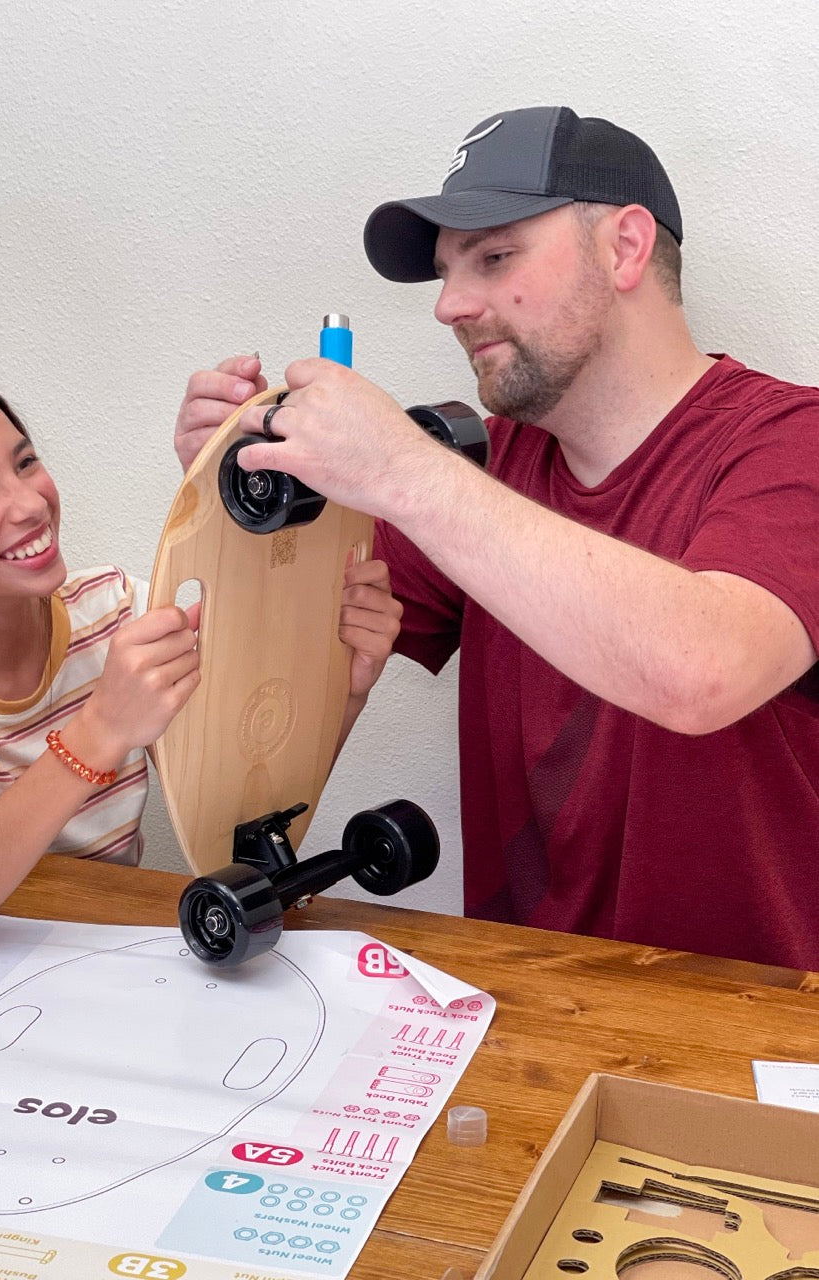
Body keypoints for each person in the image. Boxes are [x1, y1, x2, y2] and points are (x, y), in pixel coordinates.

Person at [175, 106, 819, 969]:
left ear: (625, 248)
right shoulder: (483, 470)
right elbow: (282, 697)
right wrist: (243, 496)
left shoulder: (788, 443)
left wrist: (402, 470)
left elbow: (700, 672)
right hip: (521, 1016)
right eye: (445, 272)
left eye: (494, 257)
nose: (449, 306)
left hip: (747, 1040)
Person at [0, 371, 400, 956]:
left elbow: (243, 814)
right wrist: (101, 730)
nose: (30, 502)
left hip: (114, 952)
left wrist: (342, 694)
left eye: (25, 462)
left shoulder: (115, 609)